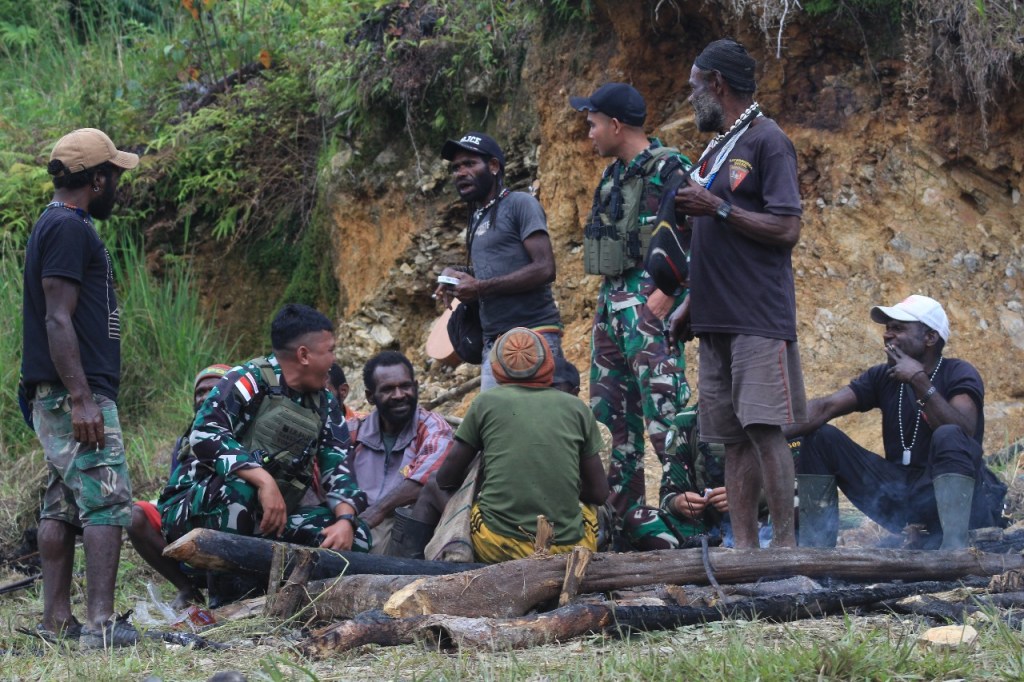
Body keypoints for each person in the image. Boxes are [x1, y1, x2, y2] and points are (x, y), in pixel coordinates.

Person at [670, 39, 806, 548]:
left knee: (764, 428)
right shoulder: (716, 148)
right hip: (714, 317)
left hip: (756, 317)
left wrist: (718, 208)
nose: (690, 98)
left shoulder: (769, 141)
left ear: (717, 84)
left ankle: (785, 549)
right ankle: (745, 552)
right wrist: (690, 304)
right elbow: (710, 240)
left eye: (694, 88)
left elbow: (787, 228)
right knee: (731, 439)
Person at [21, 128, 140, 648]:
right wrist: (82, 397)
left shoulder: (60, 224)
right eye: (114, 175)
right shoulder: (68, 228)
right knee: (107, 500)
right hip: (74, 392)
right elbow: (57, 317)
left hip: (62, 391)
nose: (118, 185)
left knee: (62, 505)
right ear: (97, 180)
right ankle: (101, 624)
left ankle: (55, 620)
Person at [159, 304, 372, 561]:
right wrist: (264, 481)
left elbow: (339, 468)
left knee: (357, 534)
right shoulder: (248, 379)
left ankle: (293, 582)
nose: (333, 360)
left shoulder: (325, 402)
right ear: (304, 355)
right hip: (193, 509)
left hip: (269, 515)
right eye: (330, 351)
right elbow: (205, 434)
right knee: (240, 488)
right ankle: (226, 583)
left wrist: (345, 521)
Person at [789, 295, 1004, 550]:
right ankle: (815, 552)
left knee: (949, 434)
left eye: (898, 328)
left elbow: (964, 430)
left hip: (951, 502)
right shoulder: (883, 376)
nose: (887, 335)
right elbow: (826, 407)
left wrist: (918, 380)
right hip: (899, 496)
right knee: (820, 437)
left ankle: (953, 552)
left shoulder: (958, 372)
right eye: (887, 328)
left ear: (930, 337)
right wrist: (765, 432)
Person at [570, 82, 692, 521]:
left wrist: (672, 295)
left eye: (593, 124)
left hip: (649, 311)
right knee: (609, 422)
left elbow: (702, 237)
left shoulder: (671, 168)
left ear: (616, 125)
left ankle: (693, 519)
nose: (590, 133)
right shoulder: (614, 175)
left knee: (666, 416)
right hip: (611, 310)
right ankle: (623, 522)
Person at [404, 328, 609, 563]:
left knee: (432, 485)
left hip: (498, 546)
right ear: (548, 364)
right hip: (569, 550)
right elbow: (599, 493)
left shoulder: (486, 402)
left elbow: (445, 479)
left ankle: (409, 568)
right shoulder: (578, 409)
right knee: (587, 514)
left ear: (497, 368)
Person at [434, 132, 563, 390]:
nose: (460, 173)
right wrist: (454, 274)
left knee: (536, 414)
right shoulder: (478, 217)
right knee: (497, 417)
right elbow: (493, 271)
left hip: (533, 335)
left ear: (493, 166)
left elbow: (545, 268)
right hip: (494, 342)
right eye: (456, 168)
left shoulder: (520, 204)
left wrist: (480, 288)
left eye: (469, 164)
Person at [127, 363, 232, 610]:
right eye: (200, 392)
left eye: (213, 389)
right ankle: (187, 589)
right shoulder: (184, 441)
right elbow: (173, 488)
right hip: (186, 514)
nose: (204, 396)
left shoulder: (243, 429)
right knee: (134, 516)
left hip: (227, 514)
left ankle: (224, 592)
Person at [346, 351, 454, 555]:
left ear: (415, 386)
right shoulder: (354, 431)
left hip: (404, 526)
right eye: (388, 389)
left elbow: (425, 479)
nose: (399, 395)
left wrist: (376, 512)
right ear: (370, 396)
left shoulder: (433, 427)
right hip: (355, 520)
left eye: (405, 386)